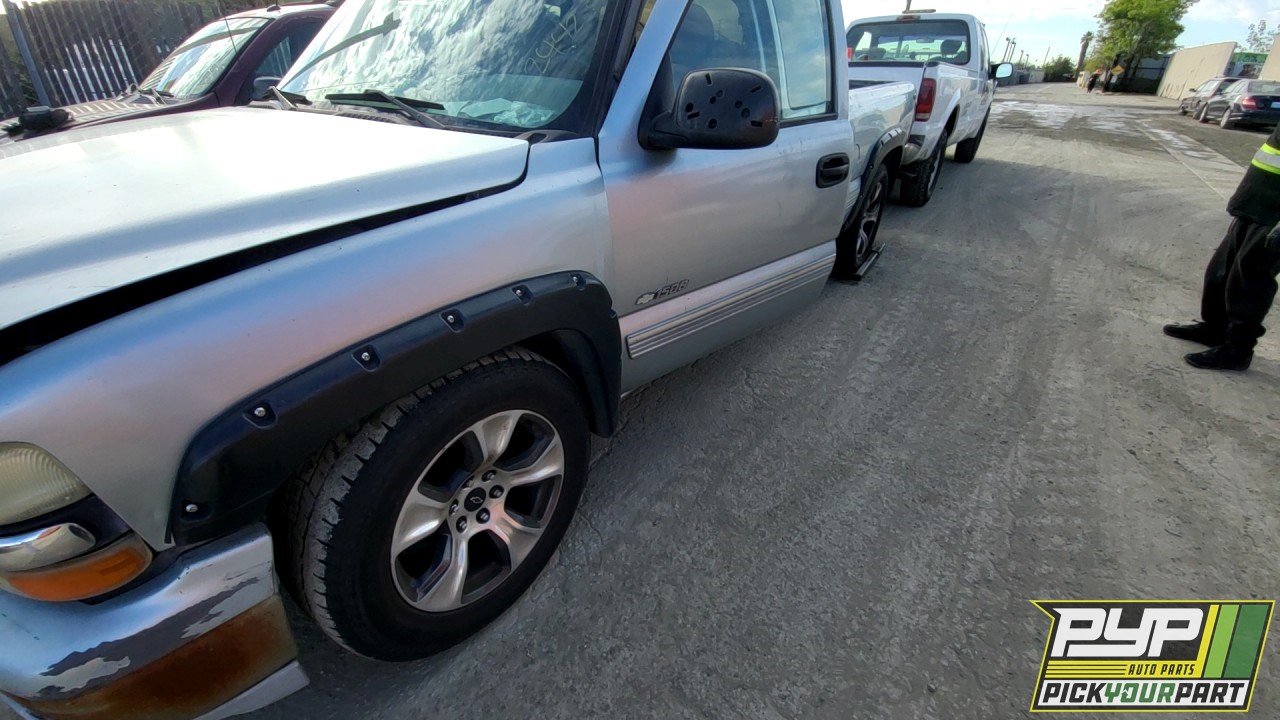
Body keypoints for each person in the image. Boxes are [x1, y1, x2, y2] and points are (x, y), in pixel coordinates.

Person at [1164, 123, 1280, 371]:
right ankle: (1214, 329)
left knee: (1249, 283)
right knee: (1220, 272)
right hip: (1255, 202)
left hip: (1274, 216)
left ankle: (1238, 350)